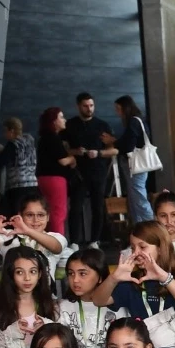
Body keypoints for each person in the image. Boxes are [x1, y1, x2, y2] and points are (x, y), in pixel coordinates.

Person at [91, 222, 175, 348]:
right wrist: (113, 278)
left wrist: (164, 278)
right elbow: (98, 300)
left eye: (142, 247)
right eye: (133, 247)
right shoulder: (132, 278)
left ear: (160, 248)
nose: (136, 253)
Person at [64, 93, 119, 248]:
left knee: (97, 206)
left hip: (98, 172)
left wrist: (99, 153)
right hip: (78, 173)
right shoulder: (70, 125)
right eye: (85, 106)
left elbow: (114, 150)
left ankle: (95, 240)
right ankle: (74, 241)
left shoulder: (102, 126)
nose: (89, 109)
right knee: (75, 206)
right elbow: (63, 149)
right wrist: (76, 151)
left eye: (91, 105)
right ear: (78, 106)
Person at [58, 248, 127, 348]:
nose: (75, 280)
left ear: (100, 277)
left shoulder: (117, 308)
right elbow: (57, 345)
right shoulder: (62, 307)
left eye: (82, 273)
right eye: (71, 273)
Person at [0, 191, 68, 280]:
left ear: (48, 217)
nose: (36, 220)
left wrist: (28, 231)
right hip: (13, 296)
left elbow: (56, 247)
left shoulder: (55, 237)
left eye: (41, 215)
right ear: (20, 215)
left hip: (44, 296)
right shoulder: (9, 235)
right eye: (29, 215)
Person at [114, 95, 154, 225]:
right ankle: (141, 229)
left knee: (138, 198)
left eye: (118, 108)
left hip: (136, 164)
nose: (117, 112)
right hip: (136, 164)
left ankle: (153, 227)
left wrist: (113, 142)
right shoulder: (138, 121)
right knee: (135, 198)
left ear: (125, 108)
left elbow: (128, 145)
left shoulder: (134, 122)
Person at [35, 107, 75, 236]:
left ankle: (48, 241)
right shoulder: (53, 138)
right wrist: (72, 158)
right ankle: (58, 245)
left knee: (49, 211)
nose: (64, 120)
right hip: (55, 179)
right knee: (58, 212)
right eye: (61, 117)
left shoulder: (43, 138)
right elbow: (62, 161)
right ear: (54, 121)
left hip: (43, 178)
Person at [0, 117, 37, 220]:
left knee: (15, 215)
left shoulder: (13, 144)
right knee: (28, 214)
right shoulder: (31, 145)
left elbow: (1, 162)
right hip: (33, 185)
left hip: (18, 185)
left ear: (11, 130)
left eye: (5, 131)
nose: (5, 135)